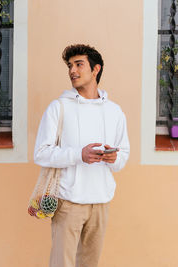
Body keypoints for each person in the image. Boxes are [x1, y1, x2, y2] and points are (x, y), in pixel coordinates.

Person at [34, 44, 130, 267]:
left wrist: (114, 158)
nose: (72, 71)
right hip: (69, 201)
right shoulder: (59, 107)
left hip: (101, 202)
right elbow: (41, 153)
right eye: (70, 66)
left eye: (79, 64)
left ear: (95, 69)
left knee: (90, 264)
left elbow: (124, 154)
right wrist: (79, 154)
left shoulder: (114, 111)